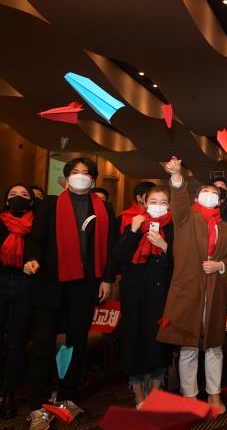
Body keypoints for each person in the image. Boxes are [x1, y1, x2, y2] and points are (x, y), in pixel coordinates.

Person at [24, 157, 117, 430]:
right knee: (42, 343)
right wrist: (33, 258)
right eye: (74, 172)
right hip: (51, 282)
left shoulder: (102, 207)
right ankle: (38, 405)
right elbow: (37, 238)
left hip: (85, 285)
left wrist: (107, 279)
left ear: (93, 179)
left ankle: (66, 395)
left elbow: (110, 247)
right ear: (66, 178)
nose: (80, 176)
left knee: (76, 341)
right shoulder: (51, 204)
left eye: (85, 173)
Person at [158, 157, 227, 413]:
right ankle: (189, 396)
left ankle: (214, 394)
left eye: (214, 193)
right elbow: (178, 199)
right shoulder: (186, 218)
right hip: (189, 290)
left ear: (220, 200)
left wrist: (221, 266)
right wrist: (177, 177)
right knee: (188, 346)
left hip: (215, 291)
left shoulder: (224, 227)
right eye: (205, 192)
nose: (209, 195)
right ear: (196, 196)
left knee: (215, 346)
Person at [112, 185, 174, 408]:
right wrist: (132, 232)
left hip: (161, 295)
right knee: (133, 343)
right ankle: (138, 392)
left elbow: (182, 264)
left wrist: (165, 246)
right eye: (153, 201)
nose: (158, 205)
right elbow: (118, 255)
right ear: (145, 203)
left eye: (163, 201)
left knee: (159, 343)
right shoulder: (133, 222)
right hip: (134, 294)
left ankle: (156, 391)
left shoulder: (174, 226)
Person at [0, 184, 36, 418]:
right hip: (1, 282)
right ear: (6, 201)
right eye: (13, 195)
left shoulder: (38, 225)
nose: (18, 198)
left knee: (17, 343)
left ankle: (8, 394)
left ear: (32, 202)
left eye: (24, 195)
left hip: (26, 285)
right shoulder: (0, 222)